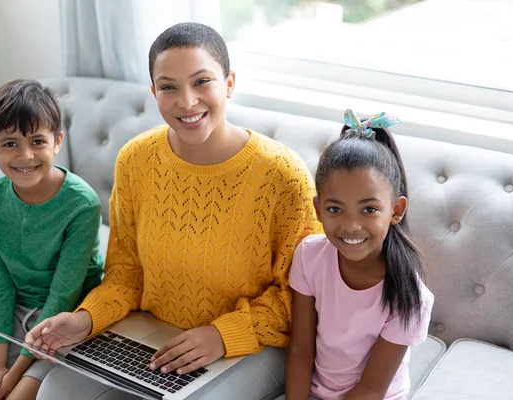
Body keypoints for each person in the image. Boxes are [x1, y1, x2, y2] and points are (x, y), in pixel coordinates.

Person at [25, 22, 322, 400]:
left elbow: (300, 296)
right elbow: (127, 273)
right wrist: (85, 319)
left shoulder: (283, 175)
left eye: (202, 82)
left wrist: (222, 335)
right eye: (169, 87)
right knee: (56, 393)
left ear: (229, 83)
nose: (186, 101)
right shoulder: (135, 159)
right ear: (153, 92)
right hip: (154, 333)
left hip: (252, 344)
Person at [279, 109, 434, 400]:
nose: (351, 226)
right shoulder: (309, 256)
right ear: (318, 209)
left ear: (396, 211)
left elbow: (372, 388)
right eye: (335, 209)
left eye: (369, 209)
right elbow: (300, 350)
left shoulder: (410, 295)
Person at [0, 79, 104, 400]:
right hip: (18, 306)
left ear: (57, 142)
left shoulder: (82, 204)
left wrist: (13, 375)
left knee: (16, 395)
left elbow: (64, 293)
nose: (25, 155)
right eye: (10, 143)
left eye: (37, 141)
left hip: (66, 314)